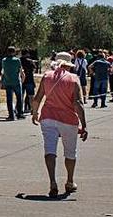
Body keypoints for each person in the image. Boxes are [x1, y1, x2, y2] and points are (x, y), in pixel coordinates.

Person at [29, 52, 88, 198]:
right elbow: (77, 103)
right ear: (69, 65)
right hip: (68, 119)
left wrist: (35, 113)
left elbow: (37, 98)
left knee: (50, 150)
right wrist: (84, 124)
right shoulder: (74, 79)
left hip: (48, 117)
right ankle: (69, 181)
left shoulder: (47, 76)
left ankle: (52, 182)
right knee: (70, 152)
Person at [0, 46, 22, 120]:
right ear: (14, 52)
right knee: (19, 98)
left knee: (9, 99)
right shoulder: (17, 60)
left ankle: (11, 115)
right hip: (16, 81)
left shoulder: (4, 60)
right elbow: (19, 70)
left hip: (7, 81)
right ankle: (19, 113)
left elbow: (3, 71)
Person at [20, 50, 37, 116]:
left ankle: (19, 109)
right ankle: (32, 109)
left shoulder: (19, 61)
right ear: (27, 54)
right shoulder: (30, 61)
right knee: (31, 96)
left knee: (20, 96)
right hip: (29, 80)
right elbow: (34, 69)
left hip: (21, 80)